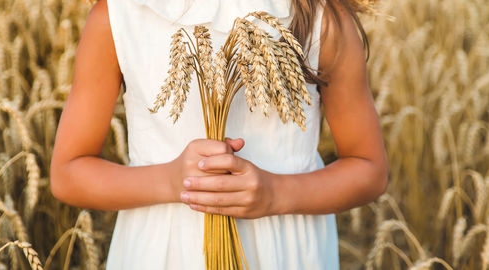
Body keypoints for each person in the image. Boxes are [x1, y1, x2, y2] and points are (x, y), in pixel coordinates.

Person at [49, 0, 388, 268]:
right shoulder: (119, 15)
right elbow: (67, 173)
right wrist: (171, 181)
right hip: (165, 251)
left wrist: (276, 193)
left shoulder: (320, 18)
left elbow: (369, 168)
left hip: (287, 252)